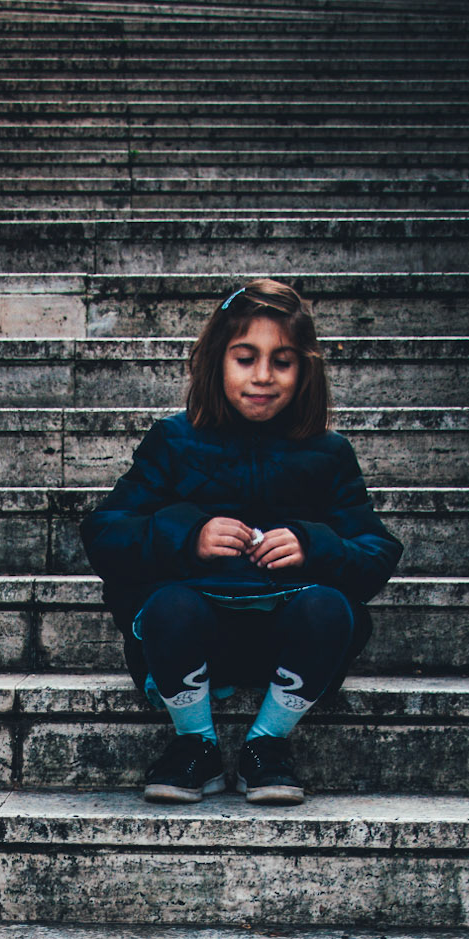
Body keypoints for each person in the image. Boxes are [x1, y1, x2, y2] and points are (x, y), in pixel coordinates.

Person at [80, 278, 404, 804]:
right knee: (169, 606)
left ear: (304, 371)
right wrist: (189, 536)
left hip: (288, 641)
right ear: (217, 362)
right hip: (193, 636)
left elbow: (376, 550)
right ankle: (196, 745)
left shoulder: (328, 453)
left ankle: (267, 744)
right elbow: (104, 533)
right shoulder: (174, 440)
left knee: (329, 607)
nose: (263, 376)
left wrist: (313, 545)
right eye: (245, 358)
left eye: (283, 361)